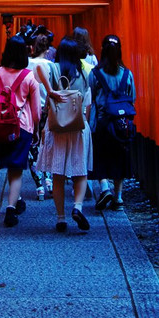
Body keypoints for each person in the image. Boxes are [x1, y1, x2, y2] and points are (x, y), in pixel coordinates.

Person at [38, 37, 93, 232]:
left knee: (58, 173)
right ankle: (77, 207)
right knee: (80, 171)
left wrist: (51, 90)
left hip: (57, 126)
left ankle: (61, 218)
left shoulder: (54, 69)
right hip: (78, 127)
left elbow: (38, 69)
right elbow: (87, 103)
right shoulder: (85, 73)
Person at [0, 36, 42, 227]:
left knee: (11, 166)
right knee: (16, 169)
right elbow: (36, 111)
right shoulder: (29, 76)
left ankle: (16, 199)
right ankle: (10, 208)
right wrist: (36, 129)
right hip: (22, 127)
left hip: (1, 126)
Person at [88, 34, 136, 211]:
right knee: (119, 158)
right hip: (121, 125)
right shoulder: (127, 74)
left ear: (102, 51)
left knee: (100, 157)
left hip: (102, 122)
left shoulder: (96, 74)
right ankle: (119, 198)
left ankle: (105, 188)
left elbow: (91, 96)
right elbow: (132, 97)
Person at [26, 34, 53, 200]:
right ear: (48, 50)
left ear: (32, 48)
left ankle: (39, 186)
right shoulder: (51, 65)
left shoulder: (27, 64)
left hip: (30, 110)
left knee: (33, 147)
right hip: (48, 109)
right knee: (48, 144)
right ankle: (49, 179)